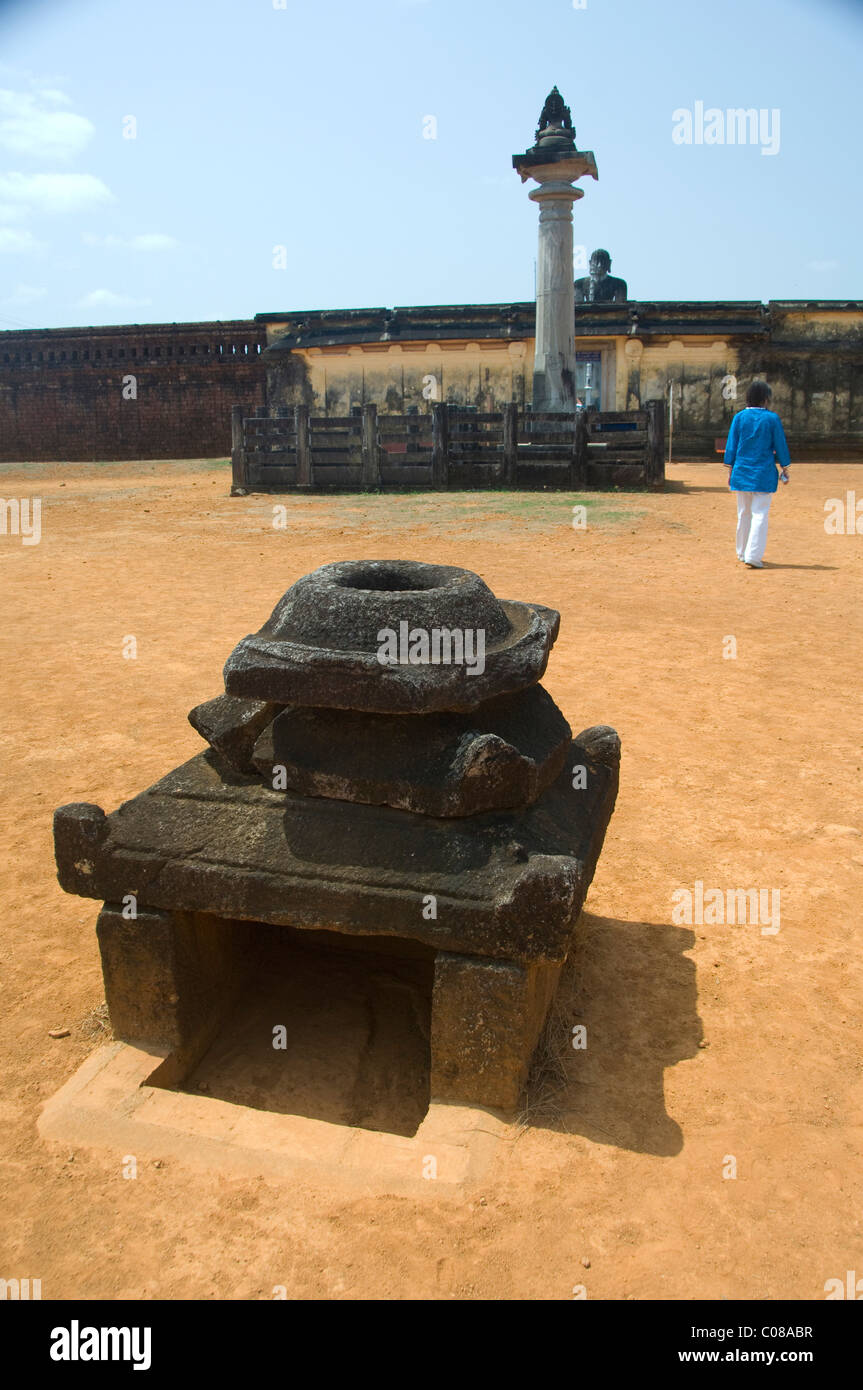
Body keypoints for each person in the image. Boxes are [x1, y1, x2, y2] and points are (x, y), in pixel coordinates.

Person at [723, 381, 790, 568]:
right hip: (763, 473)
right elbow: (780, 446)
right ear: (766, 399)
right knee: (759, 514)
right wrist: (785, 468)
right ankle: (753, 554)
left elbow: (732, 447)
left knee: (743, 513)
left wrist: (731, 470)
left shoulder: (739, 418)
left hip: (741, 471)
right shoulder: (772, 419)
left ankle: (742, 552)